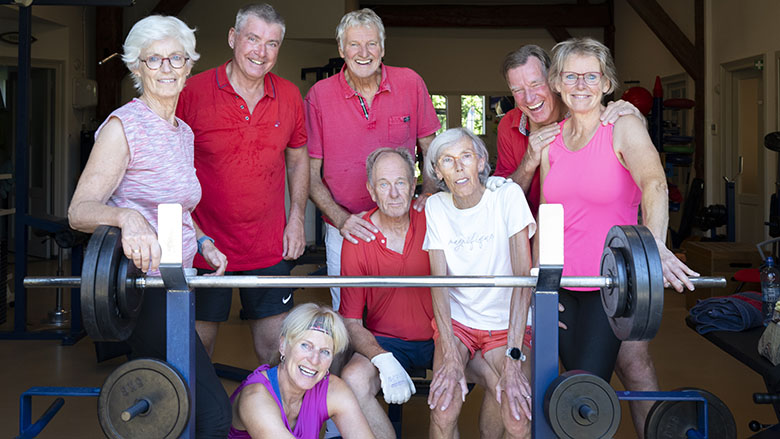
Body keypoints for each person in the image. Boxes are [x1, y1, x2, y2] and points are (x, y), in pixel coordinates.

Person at [68, 15, 231, 437]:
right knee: (211, 416)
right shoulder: (125, 127)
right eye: (153, 59)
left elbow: (177, 207)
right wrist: (127, 217)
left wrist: (205, 240)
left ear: (188, 65)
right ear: (136, 67)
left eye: (175, 57)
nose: (165, 68)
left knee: (173, 408)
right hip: (146, 289)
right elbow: (80, 210)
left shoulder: (183, 132)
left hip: (180, 283)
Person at [539, 37, 699, 438]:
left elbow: (655, 184)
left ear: (607, 82)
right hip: (563, 285)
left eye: (591, 75)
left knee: (582, 393)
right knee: (615, 372)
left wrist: (654, 249)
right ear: (556, 82)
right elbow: (549, 218)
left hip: (612, 285)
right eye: (571, 75)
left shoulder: (622, 126)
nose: (581, 84)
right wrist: (539, 286)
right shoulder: (550, 143)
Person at [176, 3, 308, 365]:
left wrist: (296, 217)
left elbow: (297, 157)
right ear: (233, 38)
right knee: (197, 353)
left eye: (271, 43)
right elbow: (171, 167)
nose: (261, 52)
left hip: (267, 245)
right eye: (253, 39)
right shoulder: (192, 92)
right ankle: (202, 423)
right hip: (204, 245)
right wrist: (193, 232)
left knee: (276, 352)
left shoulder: (289, 96)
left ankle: (274, 423)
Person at [307, 8, 440, 312]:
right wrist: (341, 220)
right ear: (342, 50)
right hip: (347, 228)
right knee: (348, 322)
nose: (363, 53)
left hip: (403, 226)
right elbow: (309, 175)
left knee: (407, 316)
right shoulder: (319, 96)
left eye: (372, 44)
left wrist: (429, 191)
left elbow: (431, 150)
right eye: (354, 45)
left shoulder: (410, 83)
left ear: (383, 47)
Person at [423, 128, 536, 439]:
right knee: (443, 409)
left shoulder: (507, 197)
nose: (458, 167)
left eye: (466, 157)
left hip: (504, 324)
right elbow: (439, 285)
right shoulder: (436, 207)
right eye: (447, 160)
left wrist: (513, 358)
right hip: (459, 323)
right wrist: (449, 355)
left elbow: (522, 281)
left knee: (516, 415)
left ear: (482, 162)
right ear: (437, 172)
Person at [338, 148, 435, 439]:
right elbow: (351, 321)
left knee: (503, 371)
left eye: (401, 182)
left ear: (414, 183)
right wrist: (382, 359)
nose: (393, 193)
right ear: (371, 190)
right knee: (353, 379)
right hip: (387, 340)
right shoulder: (359, 236)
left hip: (442, 334)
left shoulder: (435, 217)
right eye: (383, 184)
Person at [495, 44, 642, 216]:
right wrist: (528, 163)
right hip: (532, 234)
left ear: (554, 80)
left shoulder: (587, 114)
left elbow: (648, 177)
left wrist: (637, 120)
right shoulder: (508, 124)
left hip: (593, 230)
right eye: (518, 90)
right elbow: (501, 201)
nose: (529, 98)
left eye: (536, 84)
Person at [228, 303, 375, 439]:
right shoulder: (255, 396)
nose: (314, 360)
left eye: (325, 352)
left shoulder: (332, 389)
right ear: (283, 345)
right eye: (306, 346)